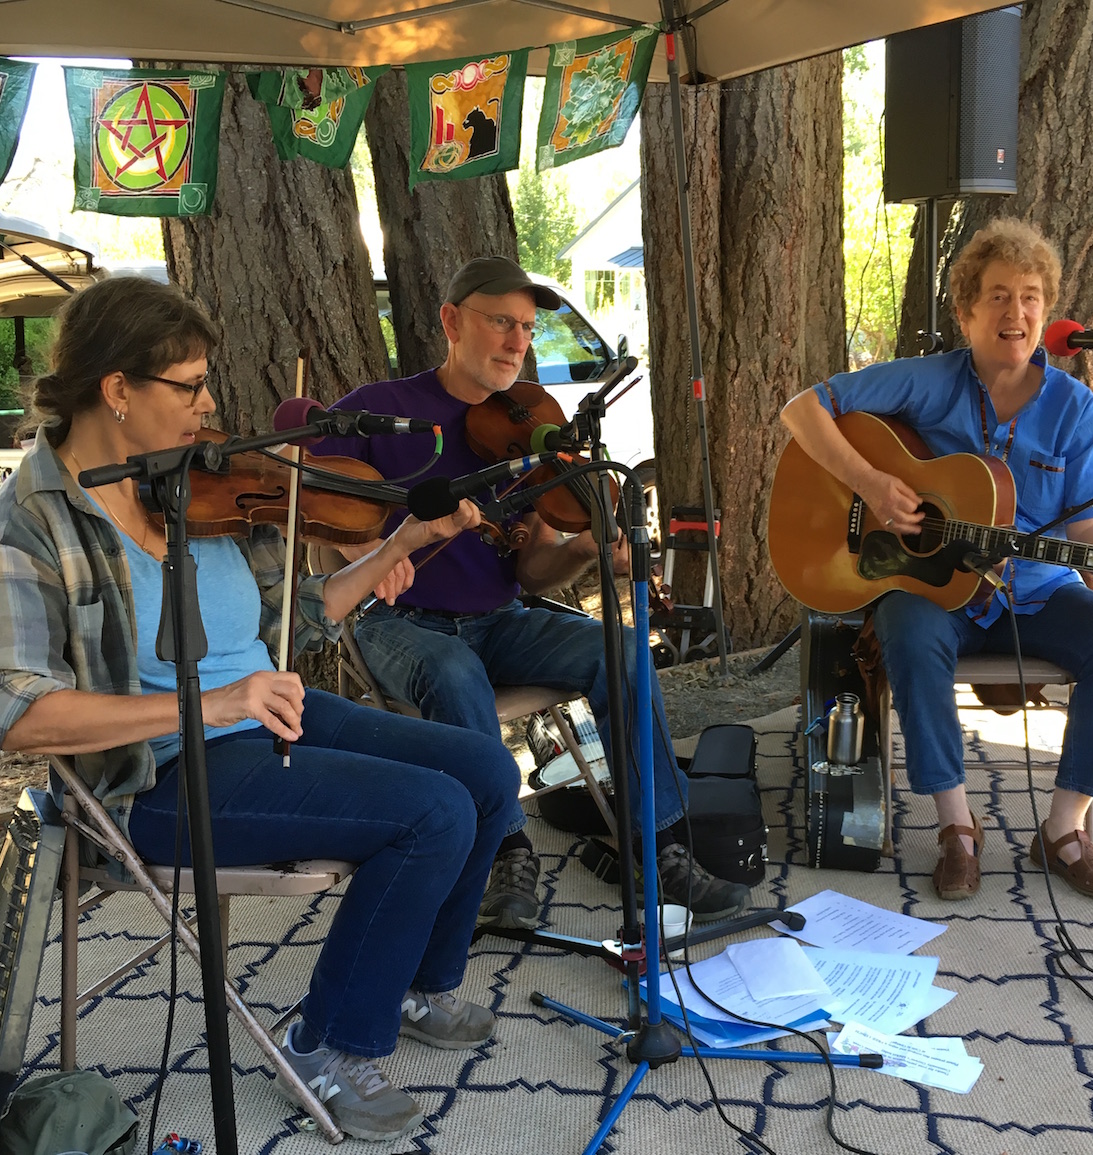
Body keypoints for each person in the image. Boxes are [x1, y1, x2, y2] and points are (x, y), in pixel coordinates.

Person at [0, 276, 522, 1143]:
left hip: (268, 710)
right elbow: (20, 716)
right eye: (189, 386)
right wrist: (205, 702)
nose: (210, 407)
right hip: (155, 776)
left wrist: (402, 544)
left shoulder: (200, 485)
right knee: (432, 813)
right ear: (117, 390)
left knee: (484, 767)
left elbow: (300, 614)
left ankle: (417, 979)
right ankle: (327, 1044)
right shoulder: (36, 518)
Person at [311, 255, 750, 928]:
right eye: (502, 323)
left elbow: (530, 574)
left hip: (498, 619)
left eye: (526, 327)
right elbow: (309, 488)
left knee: (621, 648)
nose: (519, 342)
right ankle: (505, 850)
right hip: (397, 625)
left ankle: (659, 847)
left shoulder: (529, 421)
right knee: (453, 670)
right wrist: (369, 553)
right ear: (452, 322)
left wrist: (576, 549)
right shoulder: (383, 408)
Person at [781, 218, 1093, 902]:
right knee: (907, 630)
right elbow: (804, 409)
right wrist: (869, 481)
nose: (1017, 312)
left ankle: (1067, 830)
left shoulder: (1075, 409)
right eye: (999, 296)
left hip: (1035, 590)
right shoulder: (928, 382)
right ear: (966, 310)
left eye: (1032, 296)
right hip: (930, 590)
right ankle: (958, 828)